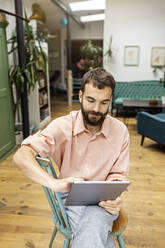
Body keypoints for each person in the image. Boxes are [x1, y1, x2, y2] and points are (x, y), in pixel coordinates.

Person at [13, 68, 129, 248]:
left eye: (104, 102)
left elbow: (118, 175)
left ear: (110, 101)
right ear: (80, 96)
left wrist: (115, 198)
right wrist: (53, 182)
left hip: (104, 200)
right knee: (95, 229)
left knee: (92, 223)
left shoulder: (120, 131)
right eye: (91, 100)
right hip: (71, 195)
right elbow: (21, 156)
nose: (96, 109)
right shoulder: (63, 125)